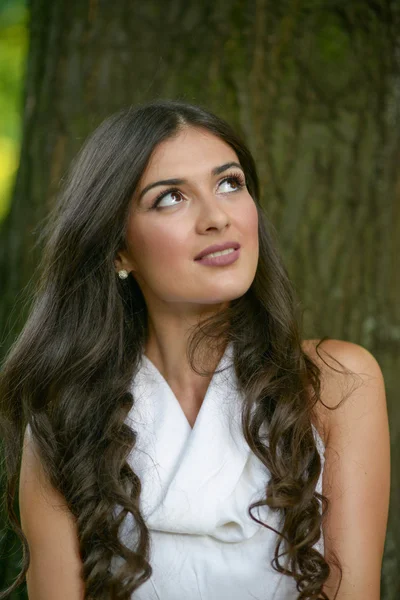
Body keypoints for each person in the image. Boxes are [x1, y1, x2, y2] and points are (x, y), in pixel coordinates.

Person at [0, 99, 390, 600]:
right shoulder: (63, 414)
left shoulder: (336, 381)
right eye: (170, 198)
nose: (216, 218)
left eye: (230, 184)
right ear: (118, 248)